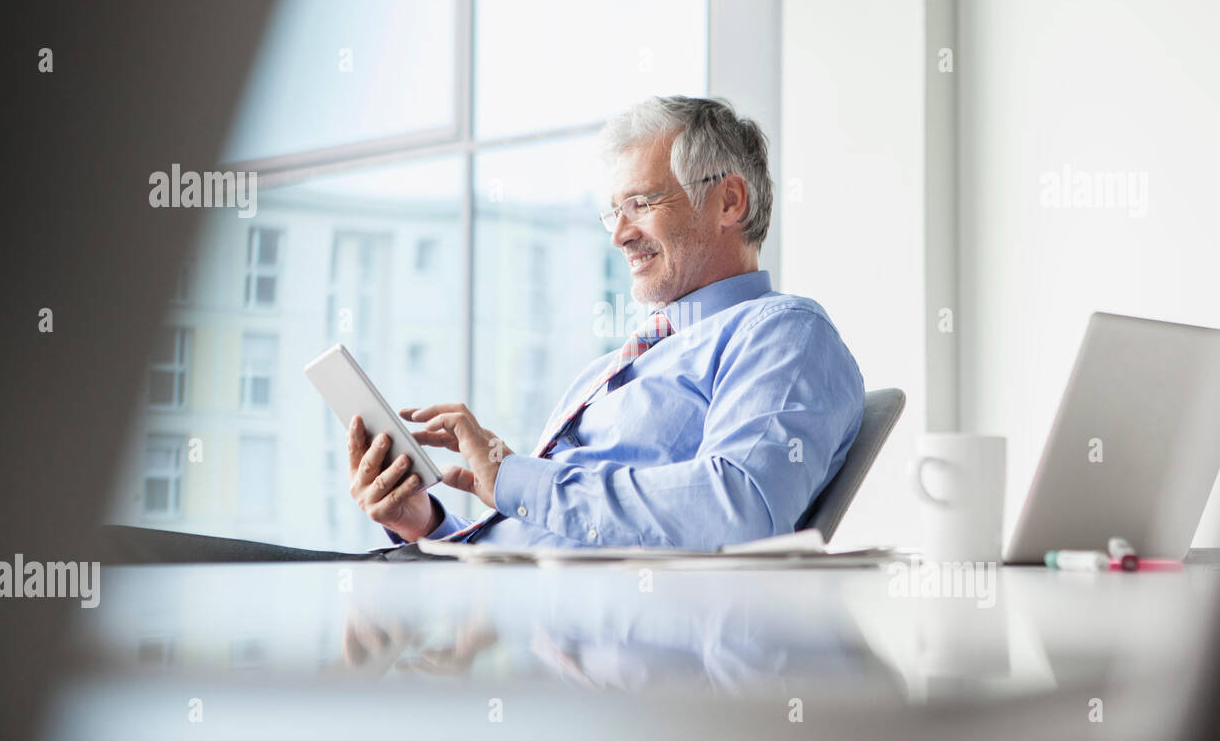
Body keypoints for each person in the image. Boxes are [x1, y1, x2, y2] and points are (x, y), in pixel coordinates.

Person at [349, 95, 865, 550]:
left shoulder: (783, 332)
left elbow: (740, 511)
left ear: (728, 201)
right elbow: (537, 534)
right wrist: (426, 523)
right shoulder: (608, 369)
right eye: (614, 211)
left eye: (640, 204)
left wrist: (511, 476)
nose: (618, 235)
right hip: (488, 604)